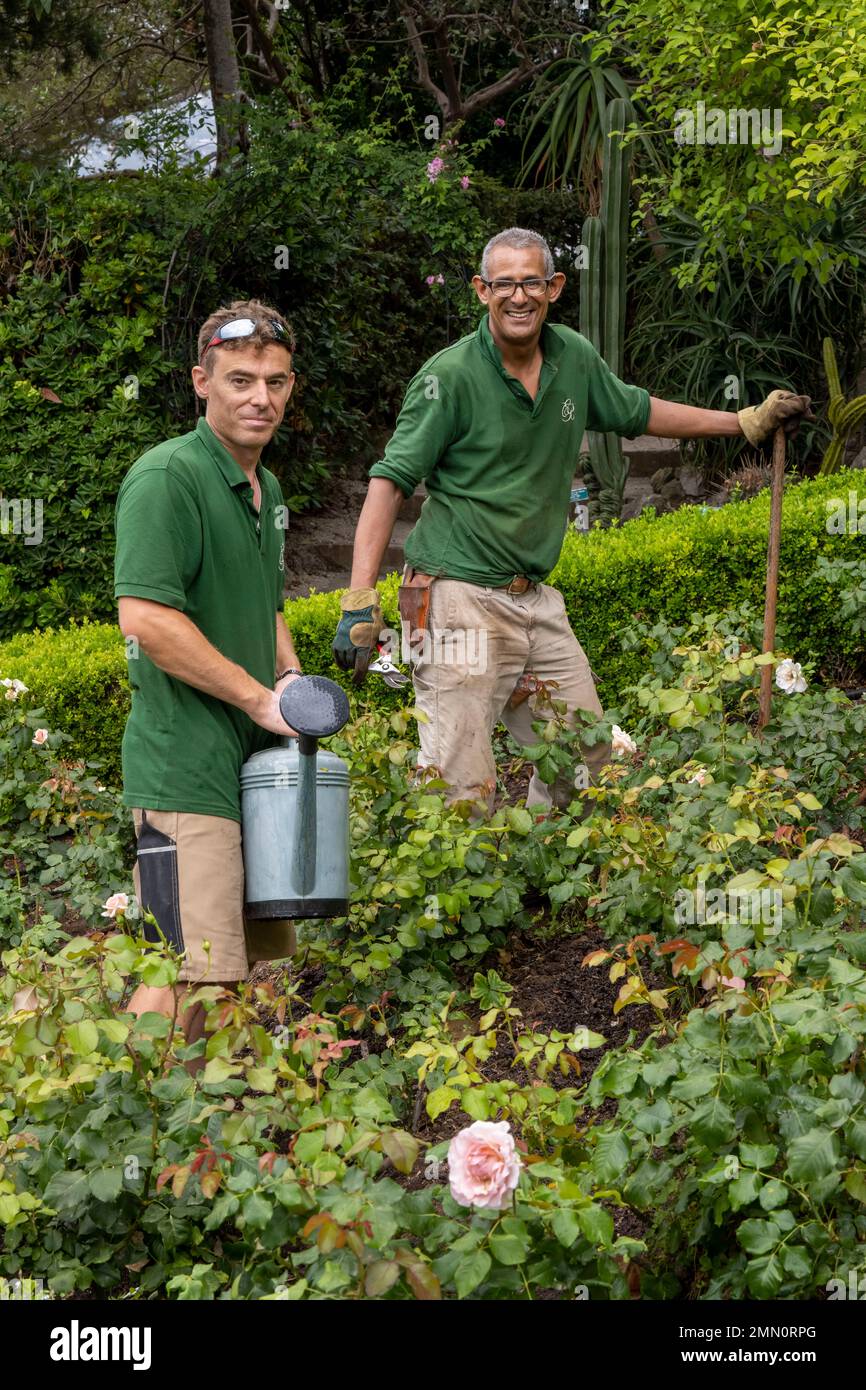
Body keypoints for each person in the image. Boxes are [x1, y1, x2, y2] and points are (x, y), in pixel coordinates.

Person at [333, 227, 813, 817]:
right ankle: (454, 905)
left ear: (554, 287)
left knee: (586, 759)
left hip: (533, 599)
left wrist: (741, 422)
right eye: (504, 284)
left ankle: (539, 878)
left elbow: (639, 410)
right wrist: (359, 598)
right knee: (460, 787)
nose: (519, 296)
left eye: (531, 282)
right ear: (482, 290)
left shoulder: (572, 359)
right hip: (453, 596)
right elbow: (389, 482)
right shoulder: (448, 378)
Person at [112, 299, 302, 1065]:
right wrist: (259, 700)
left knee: (243, 971)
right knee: (187, 970)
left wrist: (291, 681)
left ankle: (218, 1141)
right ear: (202, 381)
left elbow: (268, 605)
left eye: (277, 382)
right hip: (186, 771)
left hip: (254, 770)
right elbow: (147, 621)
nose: (261, 397)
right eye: (241, 380)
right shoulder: (167, 478)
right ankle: (122, 1126)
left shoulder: (269, 492)